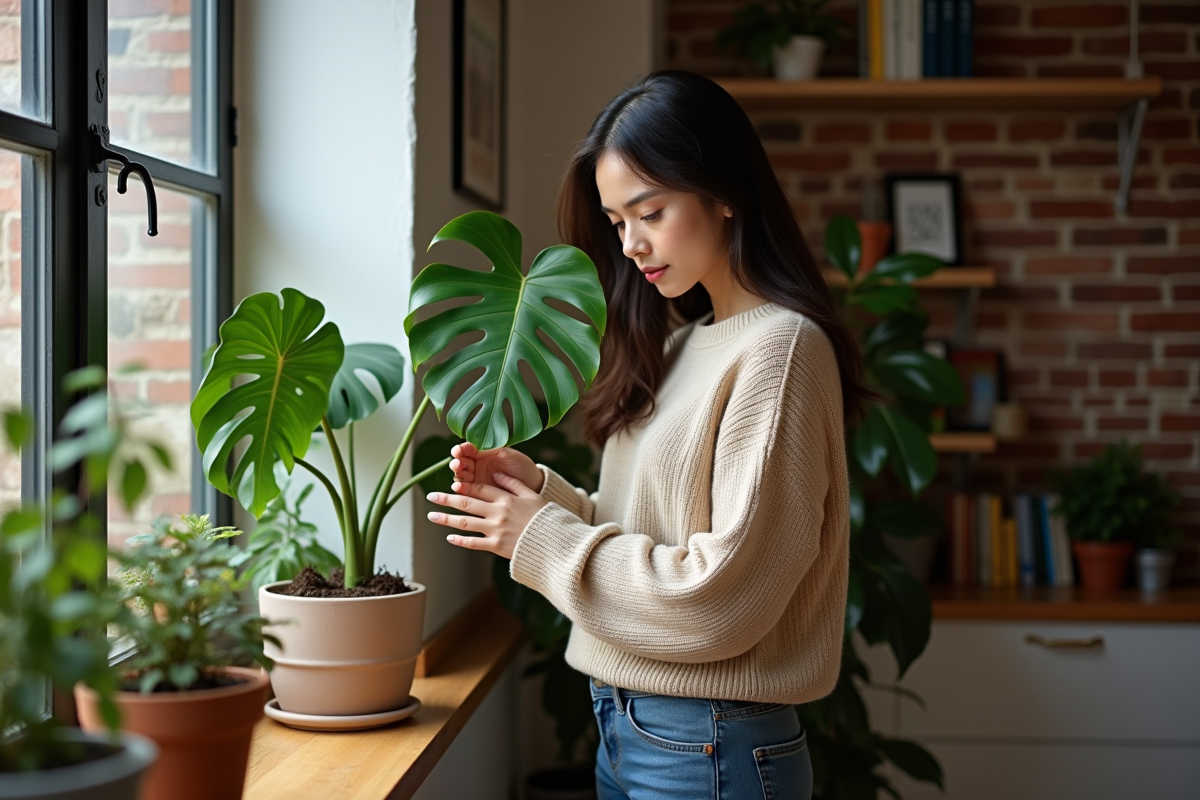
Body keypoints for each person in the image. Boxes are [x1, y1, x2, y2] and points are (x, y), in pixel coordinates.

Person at [423, 70, 879, 800]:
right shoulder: (679, 347)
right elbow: (642, 532)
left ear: (723, 191)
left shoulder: (781, 351)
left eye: (650, 211)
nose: (631, 244)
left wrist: (539, 537)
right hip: (633, 726)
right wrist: (540, 494)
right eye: (616, 222)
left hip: (710, 743)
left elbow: (719, 599)